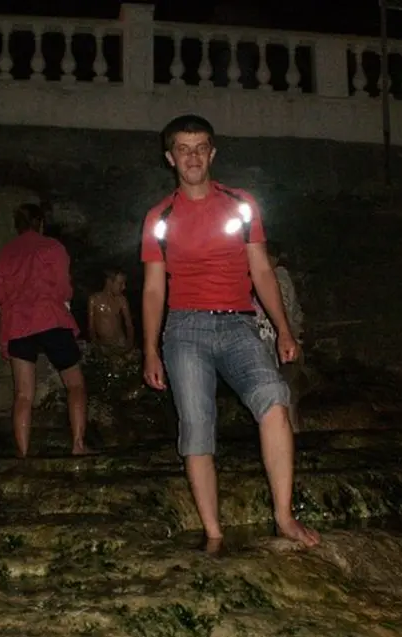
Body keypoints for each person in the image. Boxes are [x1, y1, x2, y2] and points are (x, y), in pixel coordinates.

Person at [141, 114, 320, 551]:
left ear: (213, 153)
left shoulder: (241, 204)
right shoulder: (159, 217)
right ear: (170, 158)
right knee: (197, 428)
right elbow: (153, 289)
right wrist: (149, 349)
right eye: (183, 149)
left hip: (239, 322)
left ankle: (283, 516)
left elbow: (262, 270)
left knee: (274, 399)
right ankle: (214, 534)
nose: (193, 157)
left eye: (201, 147)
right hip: (185, 328)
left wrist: (284, 330)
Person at [0, 203, 92, 458]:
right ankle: (78, 444)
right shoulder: (52, 247)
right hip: (50, 318)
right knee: (75, 384)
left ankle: (23, 452)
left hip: (18, 324)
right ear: (41, 223)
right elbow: (64, 288)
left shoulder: (5, 254)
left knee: (23, 394)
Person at [254, 241, 304, 432]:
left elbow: (291, 313)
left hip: (282, 349)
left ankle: (293, 438)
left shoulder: (280, 277)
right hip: (260, 349)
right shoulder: (248, 278)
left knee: (286, 395)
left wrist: (291, 337)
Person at [87, 269, 135, 359]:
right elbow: (91, 327)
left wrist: (129, 344)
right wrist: (95, 344)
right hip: (102, 344)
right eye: (120, 284)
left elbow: (129, 325)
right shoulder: (94, 300)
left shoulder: (121, 300)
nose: (124, 287)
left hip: (120, 343)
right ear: (109, 282)